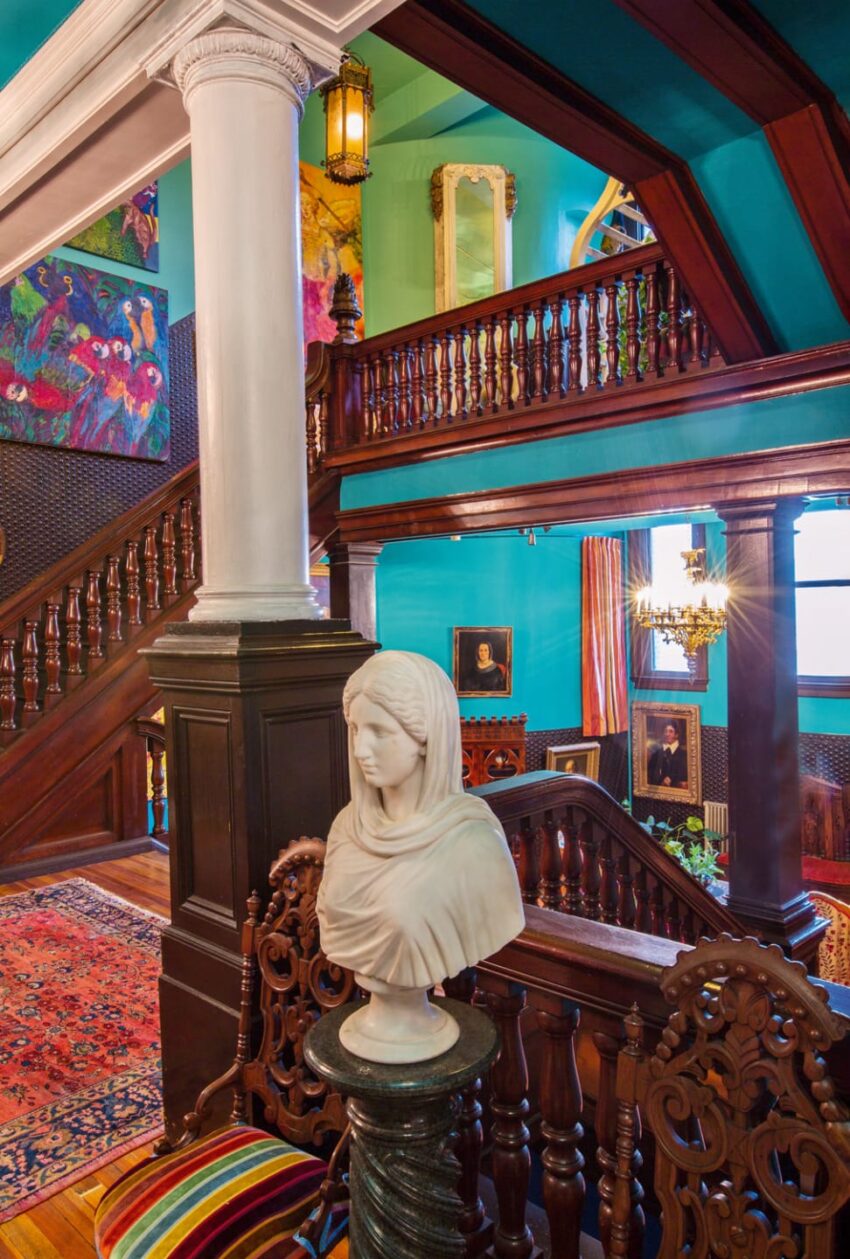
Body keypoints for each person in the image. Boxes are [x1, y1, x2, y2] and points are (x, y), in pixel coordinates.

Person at [318, 650, 524, 992]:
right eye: (355, 729)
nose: (360, 750)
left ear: (426, 738)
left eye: (379, 732)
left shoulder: (475, 845)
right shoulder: (347, 829)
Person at [648, 720, 688, 789]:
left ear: (676, 734)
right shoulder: (656, 755)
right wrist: (661, 782)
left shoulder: (684, 755)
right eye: (665, 731)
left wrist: (674, 782)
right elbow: (650, 775)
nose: (667, 734)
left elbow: (686, 777)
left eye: (671, 731)